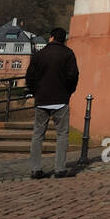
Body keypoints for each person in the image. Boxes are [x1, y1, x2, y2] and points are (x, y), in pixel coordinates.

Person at [25, 26, 79, 179]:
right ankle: (60, 168)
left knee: (37, 135)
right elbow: (73, 76)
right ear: (64, 39)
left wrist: (36, 92)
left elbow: (30, 78)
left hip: (41, 99)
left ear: (51, 37)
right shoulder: (68, 54)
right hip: (61, 100)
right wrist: (68, 92)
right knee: (62, 134)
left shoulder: (39, 55)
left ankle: (35, 169)